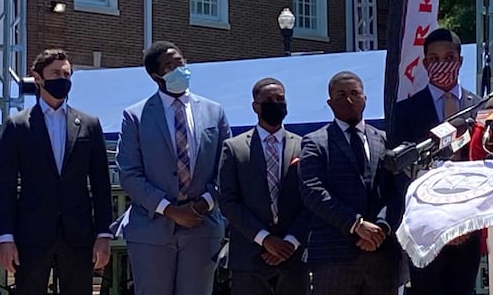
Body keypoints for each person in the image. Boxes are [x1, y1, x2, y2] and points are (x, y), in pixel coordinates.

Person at [115, 41, 231, 295]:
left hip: (202, 226)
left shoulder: (215, 112)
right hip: (151, 228)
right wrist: (170, 210)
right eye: (170, 65)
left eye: (181, 62)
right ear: (156, 75)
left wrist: (203, 204)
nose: (180, 69)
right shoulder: (135, 116)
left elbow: (227, 168)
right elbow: (129, 174)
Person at [0, 49, 113, 295]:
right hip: (31, 234)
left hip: (79, 235)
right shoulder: (17, 125)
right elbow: (4, 185)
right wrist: (6, 237)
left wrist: (104, 233)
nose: (63, 79)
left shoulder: (89, 124)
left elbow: (101, 183)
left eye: (67, 74)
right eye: (55, 73)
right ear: (37, 78)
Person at [391, 28, 482, 295]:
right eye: (434, 58)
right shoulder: (406, 110)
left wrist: (464, 223)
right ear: (425, 63)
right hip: (426, 227)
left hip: (468, 224)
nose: (441, 64)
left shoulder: (478, 106)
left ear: (461, 61)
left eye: (449, 57)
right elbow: (400, 170)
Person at [299, 71, 404, 295]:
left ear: (365, 98)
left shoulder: (385, 139)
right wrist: (356, 224)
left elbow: (397, 191)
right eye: (341, 94)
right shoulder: (315, 142)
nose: (349, 99)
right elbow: (313, 192)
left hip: (381, 256)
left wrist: (381, 228)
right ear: (329, 102)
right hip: (334, 258)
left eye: (355, 93)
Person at [218, 78, 309, 295]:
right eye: (268, 99)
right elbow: (228, 201)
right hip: (249, 256)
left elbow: (311, 199)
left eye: (280, 99)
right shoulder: (234, 148)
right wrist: (265, 239)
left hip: (293, 256)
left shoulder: (305, 145)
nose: (276, 103)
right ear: (255, 106)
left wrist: (290, 241)